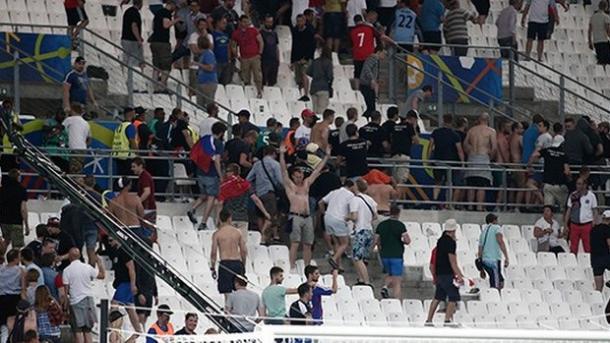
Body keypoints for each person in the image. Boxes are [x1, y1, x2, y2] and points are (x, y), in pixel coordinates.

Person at [279, 142, 330, 271]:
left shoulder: (306, 184)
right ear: (293, 177)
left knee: (308, 243)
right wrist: (281, 154)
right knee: (295, 243)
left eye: (301, 176)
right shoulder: (290, 186)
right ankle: (292, 266)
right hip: (295, 216)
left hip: (307, 216)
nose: (299, 178)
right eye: (297, 176)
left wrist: (326, 156)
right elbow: (283, 170)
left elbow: (318, 170)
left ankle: (307, 267)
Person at [188, 122, 227, 230]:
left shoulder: (205, 139)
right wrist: (220, 176)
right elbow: (217, 161)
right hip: (212, 174)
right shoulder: (218, 143)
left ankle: (192, 209)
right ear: (221, 133)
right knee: (211, 197)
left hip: (200, 172)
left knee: (204, 194)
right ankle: (203, 222)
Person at [424, 220, 464, 326]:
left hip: (439, 273)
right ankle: (447, 320)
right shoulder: (451, 242)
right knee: (453, 297)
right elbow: (453, 262)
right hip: (448, 273)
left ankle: (429, 320)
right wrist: (459, 275)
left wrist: (434, 276)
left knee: (438, 297)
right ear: (453, 230)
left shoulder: (440, 241)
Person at [63, 248, 103, 343]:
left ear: (69, 256)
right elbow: (102, 275)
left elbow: (66, 291)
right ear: (80, 255)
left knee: (78, 331)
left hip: (76, 301)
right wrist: (100, 263)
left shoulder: (67, 270)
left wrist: (65, 307)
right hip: (88, 300)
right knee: (88, 330)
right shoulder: (87, 267)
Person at [246, 146, 283, 242]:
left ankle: (263, 236)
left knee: (260, 216)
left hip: (259, 194)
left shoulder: (257, 164)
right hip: (270, 193)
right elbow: (280, 180)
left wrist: (253, 190)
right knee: (270, 216)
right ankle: (262, 238)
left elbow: (248, 179)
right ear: (274, 154)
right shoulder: (275, 164)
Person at [107, 236, 142, 337]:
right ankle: (138, 330)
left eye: (111, 239)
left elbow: (131, 269)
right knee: (129, 307)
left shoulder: (124, 251)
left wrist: (133, 284)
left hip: (126, 283)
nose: (109, 243)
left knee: (114, 303)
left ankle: (111, 327)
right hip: (122, 283)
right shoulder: (116, 252)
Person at [319, 180, 356, 271]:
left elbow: (320, 202)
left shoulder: (334, 192)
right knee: (344, 243)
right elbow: (352, 209)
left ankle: (338, 266)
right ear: (351, 186)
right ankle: (334, 258)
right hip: (339, 219)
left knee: (336, 242)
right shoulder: (350, 195)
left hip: (328, 218)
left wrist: (324, 213)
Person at [375, 205, 410, 299]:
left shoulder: (381, 225)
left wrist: (379, 248)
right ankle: (397, 301)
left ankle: (385, 287)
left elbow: (376, 240)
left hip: (384, 255)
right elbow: (407, 240)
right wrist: (400, 241)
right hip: (396, 254)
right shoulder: (400, 225)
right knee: (397, 279)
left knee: (389, 274)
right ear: (398, 213)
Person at [210, 208, 247, 297]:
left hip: (225, 263)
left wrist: (213, 267)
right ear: (229, 218)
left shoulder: (217, 234)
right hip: (237, 262)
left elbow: (214, 252)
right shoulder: (238, 232)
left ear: (220, 219)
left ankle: (228, 309)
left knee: (227, 293)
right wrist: (243, 264)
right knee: (239, 291)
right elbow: (243, 250)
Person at [464, 113, 497, 211]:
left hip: (472, 157)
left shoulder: (471, 130)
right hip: (483, 157)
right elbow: (494, 148)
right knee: (481, 185)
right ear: (488, 120)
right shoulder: (491, 131)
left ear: (479, 119)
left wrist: (470, 152)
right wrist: (490, 157)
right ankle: (479, 207)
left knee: (471, 184)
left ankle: (470, 206)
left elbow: (465, 144)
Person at [429, 114, 465, 205]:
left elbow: (430, 146)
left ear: (443, 120)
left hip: (437, 161)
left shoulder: (436, 132)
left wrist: (429, 158)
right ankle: (448, 203)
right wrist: (463, 163)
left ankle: (435, 201)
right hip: (451, 163)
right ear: (452, 122)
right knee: (450, 183)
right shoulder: (455, 135)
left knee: (437, 182)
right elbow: (459, 150)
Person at [348, 178, 378, 286]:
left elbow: (354, 216)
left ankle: (366, 280)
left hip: (360, 230)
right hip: (369, 230)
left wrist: (347, 217)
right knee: (361, 257)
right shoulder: (371, 200)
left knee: (357, 257)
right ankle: (361, 279)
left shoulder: (355, 200)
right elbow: (375, 216)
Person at [528, 138, 570, 211]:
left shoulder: (547, 150)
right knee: (564, 208)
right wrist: (569, 179)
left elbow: (534, 155)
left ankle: (548, 221)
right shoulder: (564, 154)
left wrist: (529, 165)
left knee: (548, 209)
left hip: (548, 184)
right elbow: (567, 171)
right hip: (559, 185)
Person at [231, 15, 263, 98]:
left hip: (255, 56)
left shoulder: (253, 30)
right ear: (240, 22)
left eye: (247, 21)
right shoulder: (236, 33)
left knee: (257, 75)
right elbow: (233, 45)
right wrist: (237, 56)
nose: (245, 23)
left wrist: (260, 53)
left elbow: (261, 41)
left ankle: (259, 91)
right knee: (245, 76)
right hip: (244, 57)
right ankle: (248, 93)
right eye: (244, 21)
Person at [565, 177, 599, 254]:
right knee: (573, 247)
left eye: (580, 184)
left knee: (588, 246)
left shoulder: (591, 196)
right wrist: (565, 224)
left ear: (585, 185)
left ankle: (589, 263)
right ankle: (573, 263)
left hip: (587, 225)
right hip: (574, 224)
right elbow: (569, 210)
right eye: (577, 184)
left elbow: (595, 210)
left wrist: (594, 222)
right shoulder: (573, 195)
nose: (578, 186)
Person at [478, 214, 509, 289]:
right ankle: (496, 295)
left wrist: (481, 265)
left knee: (498, 278)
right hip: (493, 259)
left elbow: (480, 248)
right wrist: (506, 257)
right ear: (494, 220)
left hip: (485, 259)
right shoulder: (497, 228)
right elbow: (500, 241)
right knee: (496, 283)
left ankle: (496, 293)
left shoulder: (483, 231)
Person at [0, 169, 29, 249]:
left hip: (4, 221)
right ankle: (13, 260)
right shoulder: (21, 190)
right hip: (16, 222)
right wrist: (26, 225)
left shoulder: (2, 189)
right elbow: (23, 209)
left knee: (6, 241)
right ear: (18, 177)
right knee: (17, 246)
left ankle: (1, 256)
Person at [291, 14, 317, 102]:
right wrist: (293, 60)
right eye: (298, 21)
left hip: (307, 58)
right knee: (298, 77)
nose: (299, 23)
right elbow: (294, 45)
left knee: (304, 74)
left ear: (304, 21)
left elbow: (312, 46)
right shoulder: (295, 31)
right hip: (297, 58)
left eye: (301, 21)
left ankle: (306, 94)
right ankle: (300, 93)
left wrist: (306, 58)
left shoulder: (309, 31)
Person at [0, 249, 25, 337]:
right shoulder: (20, 270)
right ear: (15, 259)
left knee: (3, 323)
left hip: (2, 298)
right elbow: (23, 288)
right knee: (13, 322)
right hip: (14, 298)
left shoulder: (1, 269)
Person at [390, 110, 418, 183]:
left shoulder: (395, 126)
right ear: (412, 118)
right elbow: (416, 141)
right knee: (402, 181)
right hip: (404, 156)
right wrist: (414, 127)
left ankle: (396, 193)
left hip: (393, 156)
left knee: (395, 180)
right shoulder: (409, 126)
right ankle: (399, 194)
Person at [62, 103, 90, 174]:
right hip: (83, 148)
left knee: (73, 171)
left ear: (72, 110)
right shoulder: (85, 123)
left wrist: (66, 114)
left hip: (74, 148)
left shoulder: (69, 120)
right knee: (79, 169)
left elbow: (61, 128)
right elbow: (89, 138)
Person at [359, 46, 385, 119]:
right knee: (371, 107)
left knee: (371, 107)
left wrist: (376, 80)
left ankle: (367, 119)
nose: (384, 56)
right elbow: (367, 68)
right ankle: (365, 119)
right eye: (383, 53)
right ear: (379, 52)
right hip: (366, 84)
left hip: (368, 84)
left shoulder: (375, 60)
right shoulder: (373, 58)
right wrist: (372, 79)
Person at [111, 108, 138, 177]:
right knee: (129, 179)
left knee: (121, 178)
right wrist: (137, 152)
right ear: (130, 114)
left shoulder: (120, 126)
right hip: (127, 156)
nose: (135, 115)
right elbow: (132, 141)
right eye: (134, 113)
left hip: (118, 155)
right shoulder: (130, 126)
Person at [307, 48, 334, 115]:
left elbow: (308, 72)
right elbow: (330, 76)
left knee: (314, 110)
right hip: (323, 87)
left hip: (314, 87)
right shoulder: (328, 62)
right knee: (322, 110)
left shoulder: (315, 61)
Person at [131, 157, 157, 227]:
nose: (132, 169)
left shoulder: (144, 177)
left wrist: (138, 201)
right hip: (146, 207)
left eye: (134, 167)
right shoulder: (143, 176)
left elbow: (147, 192)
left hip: (147, 207)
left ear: (140, 166)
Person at [195, 36, 218, 109]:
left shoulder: (208, 54)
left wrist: (198, 64)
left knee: (209, 105)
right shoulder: (203, 54)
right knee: (200, 105)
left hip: (208, 82)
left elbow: (210, 67)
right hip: (202, 82)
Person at [121, 0, 145, 70]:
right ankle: (131, 78)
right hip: (132, 41)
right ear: (140, 3)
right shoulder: (135, 13)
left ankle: (126, 77)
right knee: (134, 61)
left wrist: (140, 37)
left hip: (125, 39)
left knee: (126, 60)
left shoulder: (128, 11)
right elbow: (134, 26)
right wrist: (139, 39)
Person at [590, 210, 610, 290]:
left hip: (595, 259)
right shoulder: (608, 229)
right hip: (606, 257)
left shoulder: (593, 229)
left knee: (598, 286)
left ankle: (598, 300)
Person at [260, 14, 280, 87]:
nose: (269, 24)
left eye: (271, 22)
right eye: (268, 22)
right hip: (264, 60)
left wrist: (278, 59)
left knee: (272, 81)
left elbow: (276, 46)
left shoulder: (274, 33)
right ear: (264, 22)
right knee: (263, 80)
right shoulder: (261, 33)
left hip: (274, 60)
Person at [589, 1, 610, 65]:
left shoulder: (593, 17)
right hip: (603, 41)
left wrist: (590, 42)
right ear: (606, 7)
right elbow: (608, 30)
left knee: (601, 60)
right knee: (607, 60)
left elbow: (589, 30)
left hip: (596, 41)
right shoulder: (606, 17)